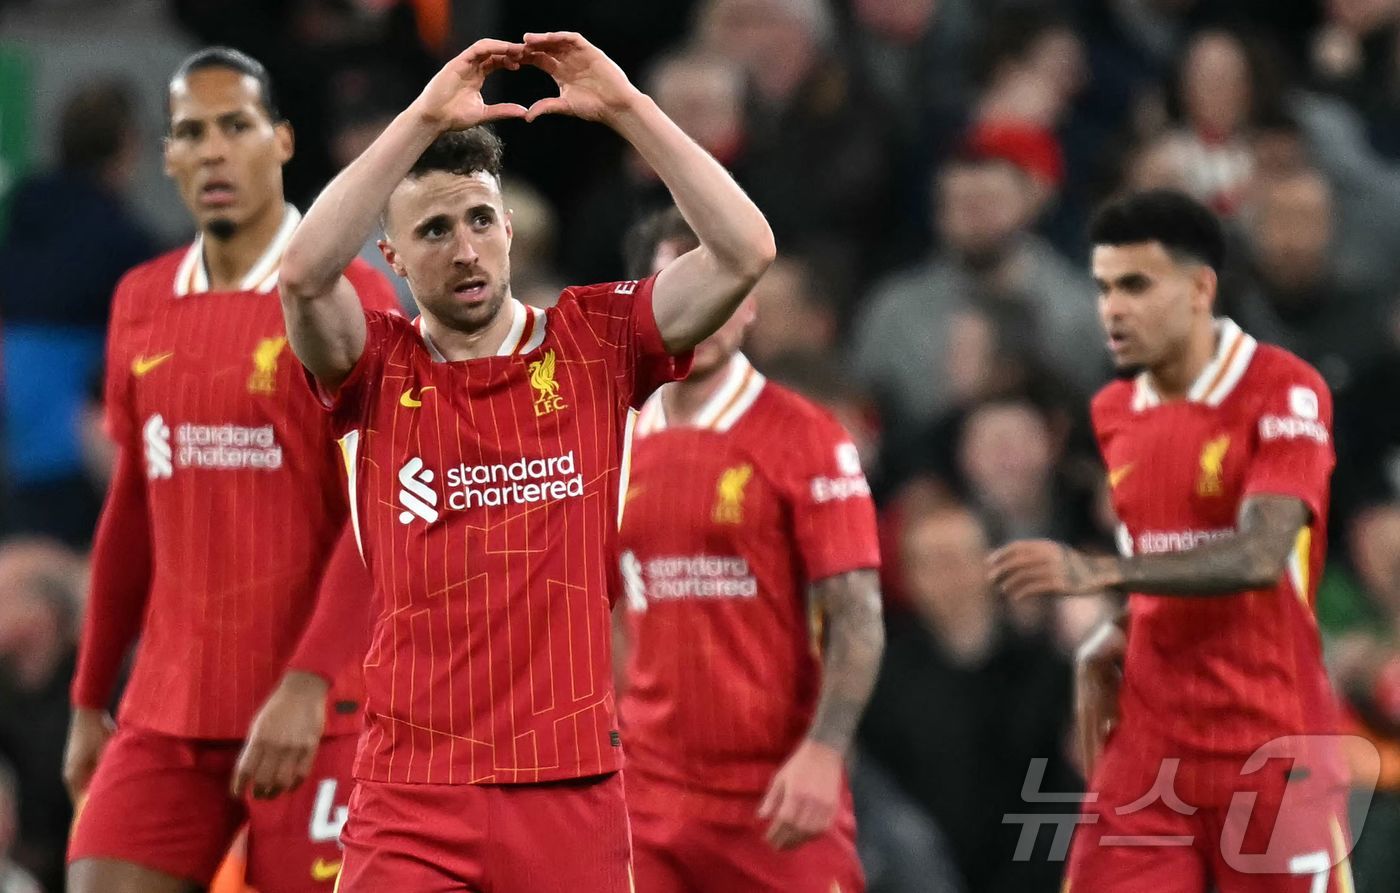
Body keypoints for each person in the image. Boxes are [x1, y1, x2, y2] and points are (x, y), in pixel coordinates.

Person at [277, 33, 775, 891]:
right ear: (391, 257)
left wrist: (628, 108)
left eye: (480, 219)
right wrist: (421, 119)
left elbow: (744, 251)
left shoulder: (597, 341)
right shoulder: (374, 365)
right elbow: (302, 276)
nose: (465, 248)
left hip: (567, 786)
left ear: (509, 227)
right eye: (434, 230)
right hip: (409, 792)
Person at [63, 47, 400, 893]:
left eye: (235, 126)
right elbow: (132, 507)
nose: (213, 151)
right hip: (169, 709)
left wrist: (309, 683)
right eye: (191, 133)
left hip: (322, 709)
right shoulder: (140, 299)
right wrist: (89, 697)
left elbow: (379, 511)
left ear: (281, 140)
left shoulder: (354, 296)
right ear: (167, 157)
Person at [989, 189, 1355, 891]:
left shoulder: (1284, 389)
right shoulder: (1115, 410)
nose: (1112, 309)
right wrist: (1119, 631)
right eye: (1103, 288)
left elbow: (1259, 555)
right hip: (1152, 743)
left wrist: (1098, 574)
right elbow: (1165, 556)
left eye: (1135, 286)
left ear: (1198, 289)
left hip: (1272, 739)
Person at [615, 207, 883, 891]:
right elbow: (606, 607)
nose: (703, 313)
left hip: (777, 796)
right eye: (683, 291)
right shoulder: (611, 444)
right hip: (647, 797)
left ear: (751, 305)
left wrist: (824, 750)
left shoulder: (807, 438)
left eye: (723, 290)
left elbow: (858, 614)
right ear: (645, 309)